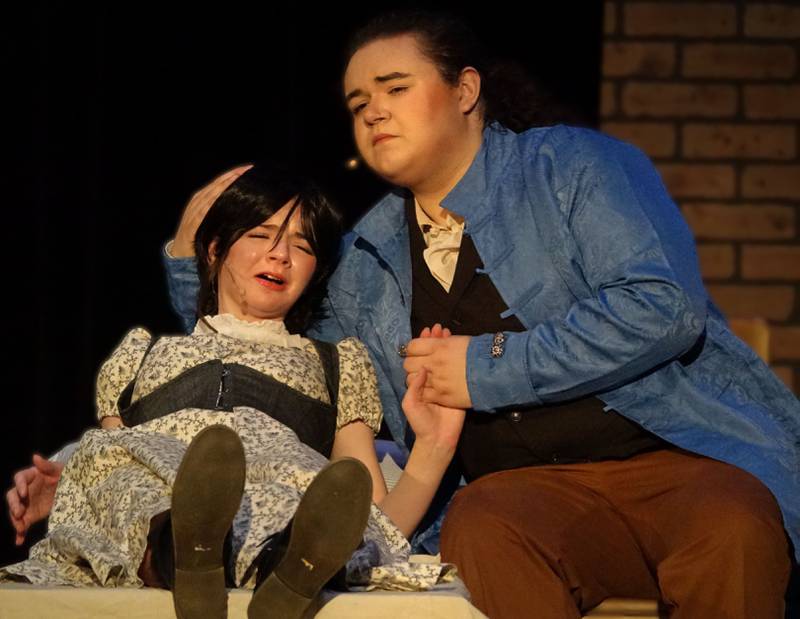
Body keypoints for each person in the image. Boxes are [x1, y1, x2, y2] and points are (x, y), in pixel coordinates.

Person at [1, 163, 464, 619]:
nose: (280, 255)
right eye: (261, 235)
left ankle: (289, 566)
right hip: (159, 494)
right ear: (216, 249)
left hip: (277, 491)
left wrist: (435, 445)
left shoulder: (337, 363)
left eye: (301, 246)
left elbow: (370, 515)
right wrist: (65, 478)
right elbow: (107, 462)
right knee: (124, 477)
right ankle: (183, 550)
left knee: (297, 498)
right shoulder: (141, 354)